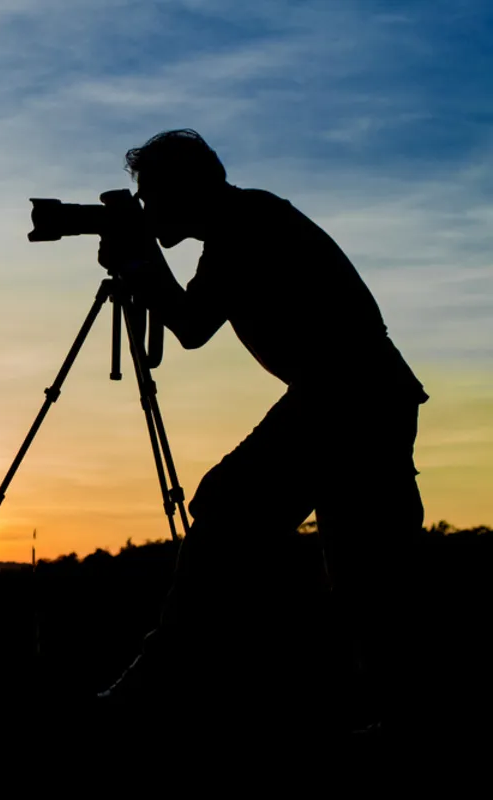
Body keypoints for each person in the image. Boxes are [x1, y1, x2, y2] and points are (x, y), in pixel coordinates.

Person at [94, 129, 428, 739]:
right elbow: (192, 319)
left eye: (152, 197)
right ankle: (382, 705)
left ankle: (166, 681)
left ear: (185, 188)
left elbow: (190, 325)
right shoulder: (242, 222)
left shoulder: (245, 225)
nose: (148, 210)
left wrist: (139, 260)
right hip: (346, 396)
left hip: (349, 397)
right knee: (354, 559)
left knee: (359, 561)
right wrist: (142, 258)